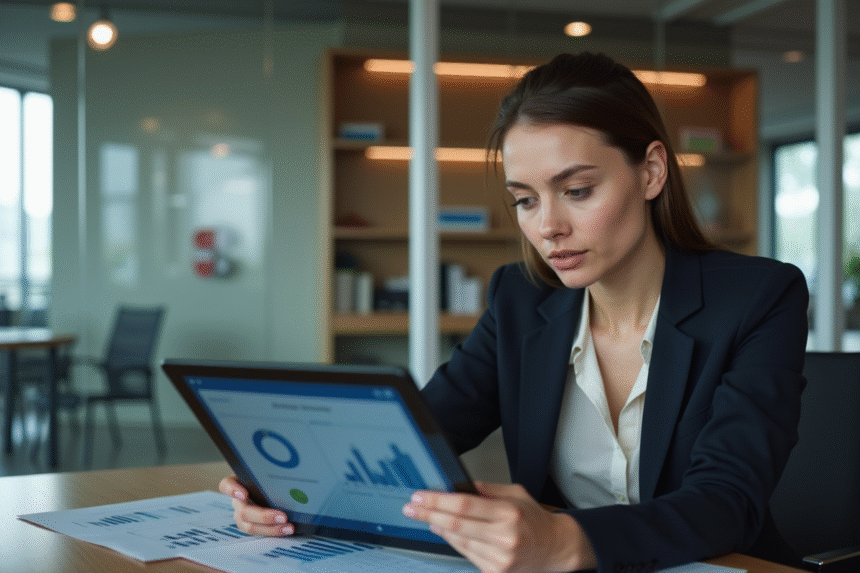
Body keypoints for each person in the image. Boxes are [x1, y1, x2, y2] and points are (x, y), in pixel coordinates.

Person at [220, 52, 809, 572]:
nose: (547, 227)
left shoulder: (758, 297)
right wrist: (287, 488)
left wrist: (568, 541)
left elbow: (728, 499)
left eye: (576, 191)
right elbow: (419, 436)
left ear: (651, 171)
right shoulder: (521, 299)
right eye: (524, 200)